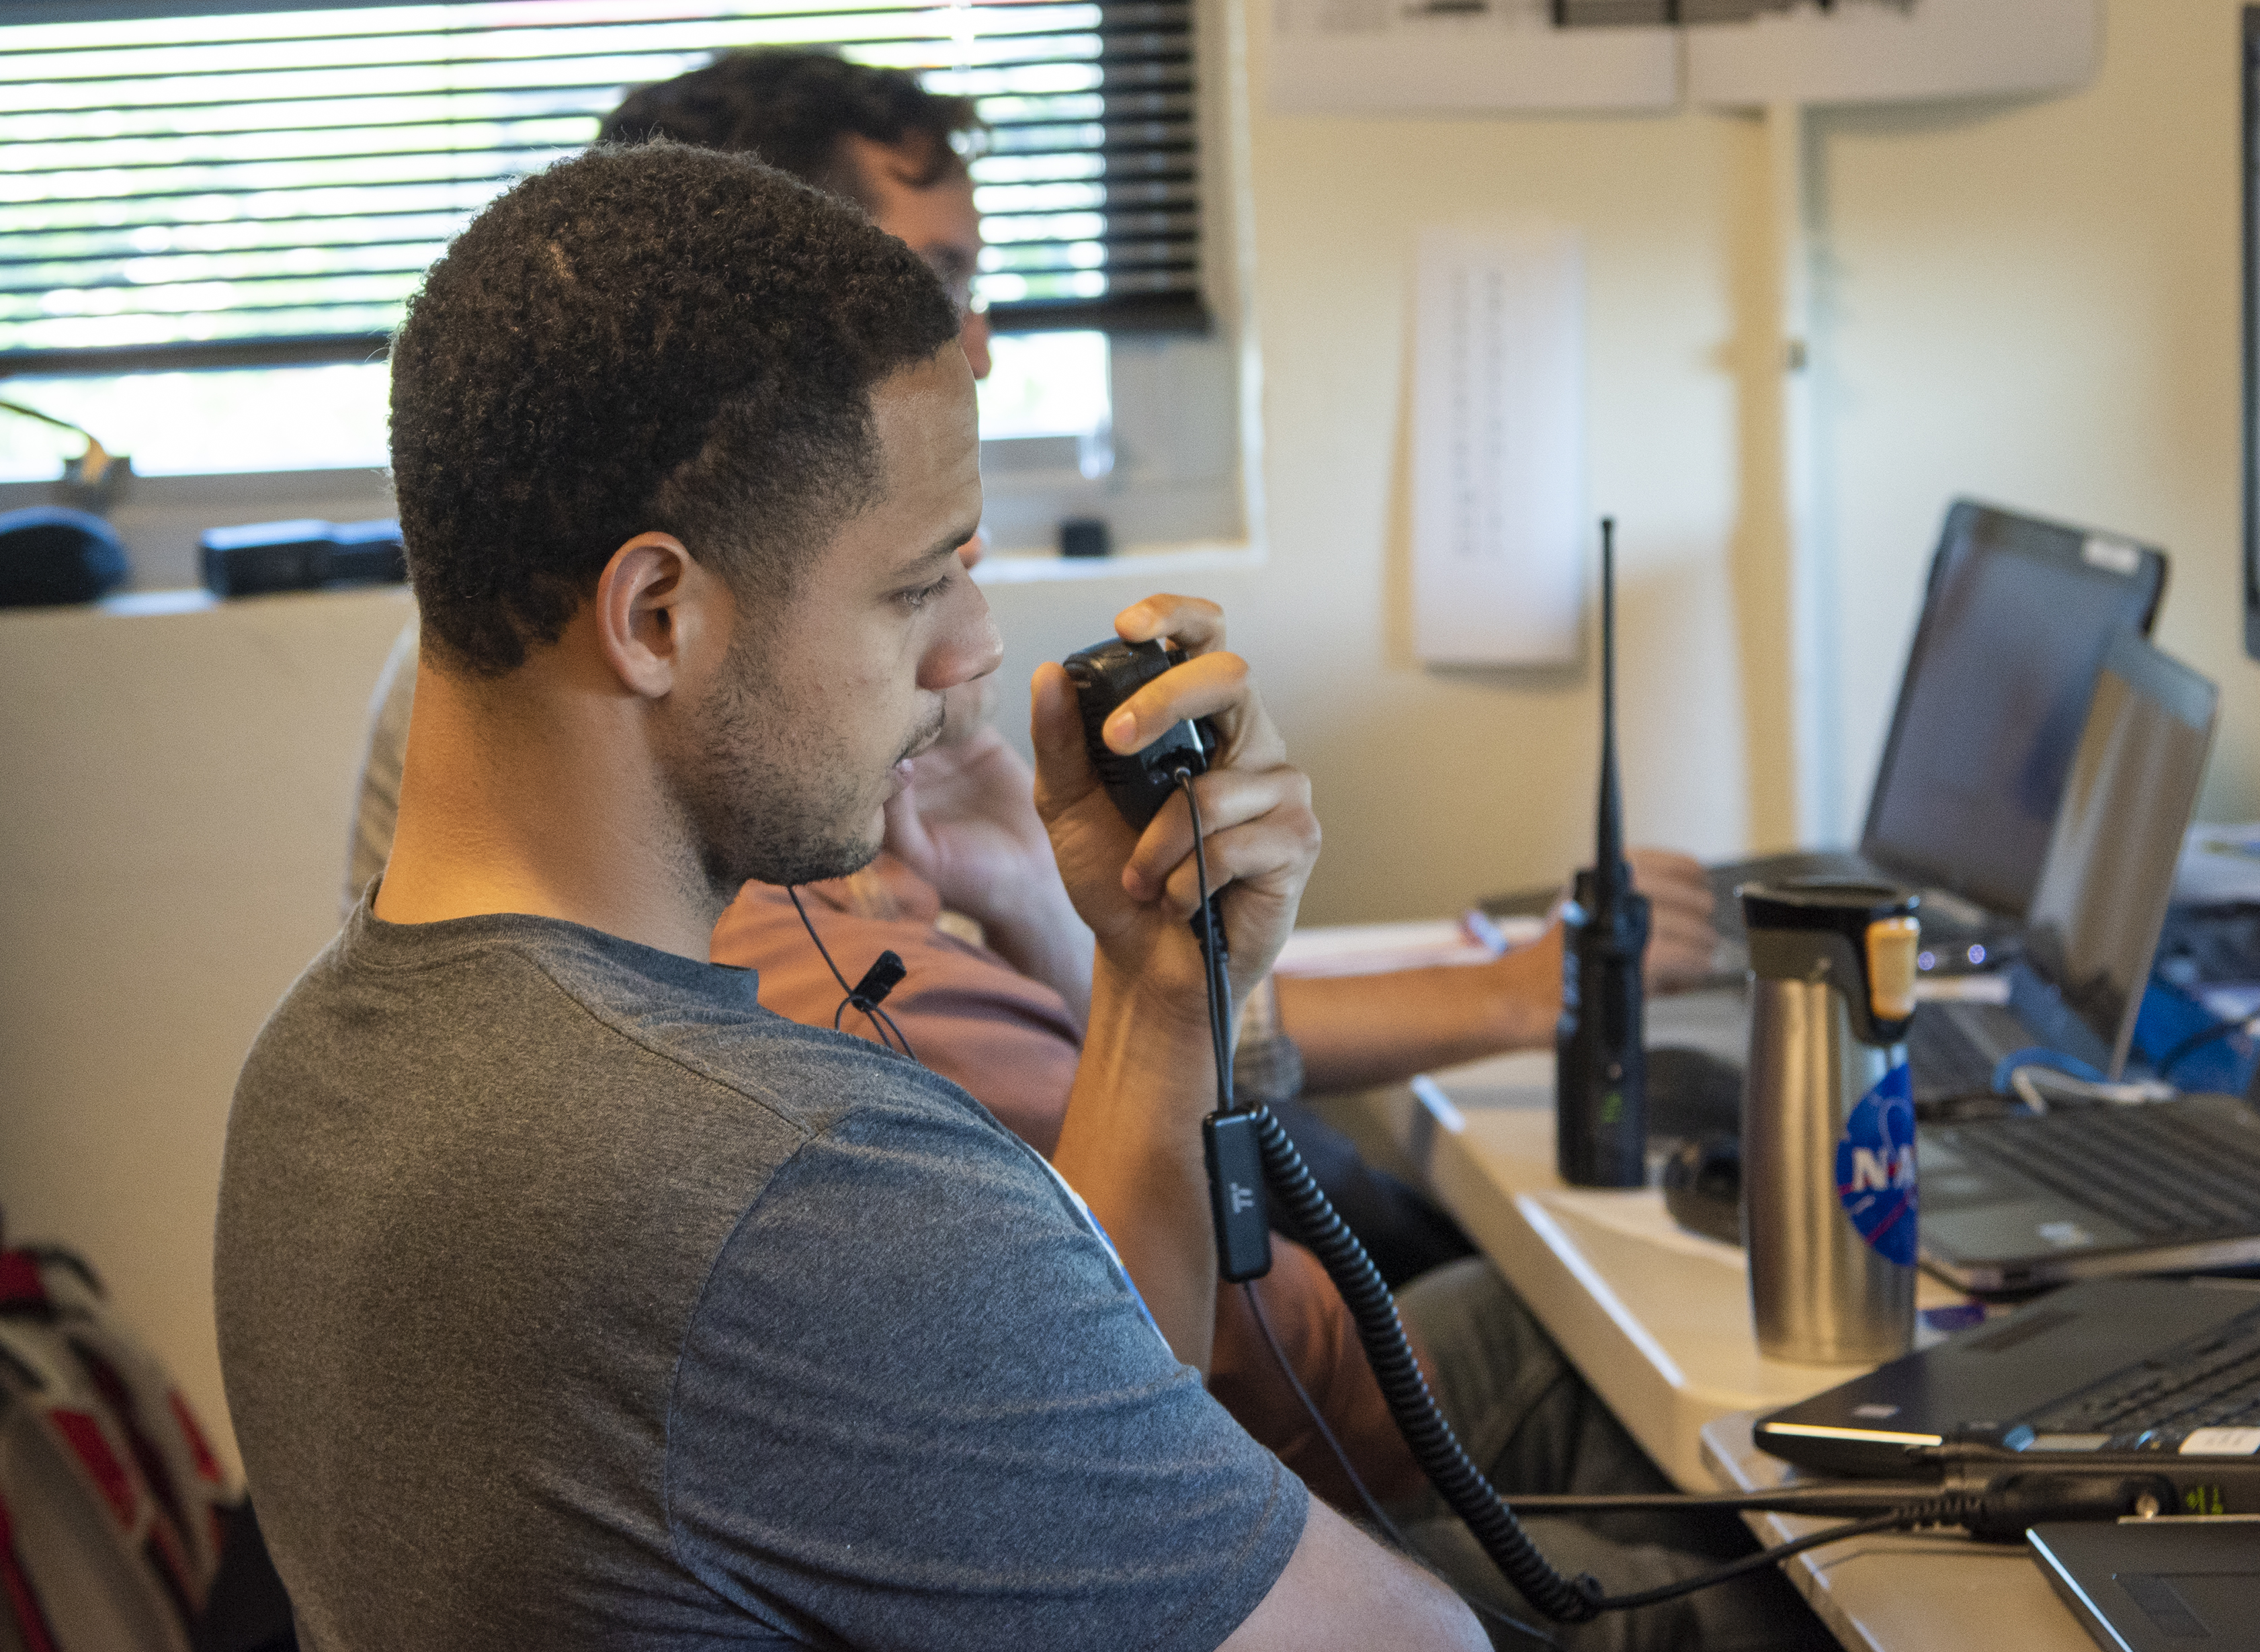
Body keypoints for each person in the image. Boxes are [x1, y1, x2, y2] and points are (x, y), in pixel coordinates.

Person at [219, 140, 1478, 1648]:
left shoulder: (309, 1058)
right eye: (914, 585)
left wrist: (1152, 980)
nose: (975, 649)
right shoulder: (792, 1185)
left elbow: (1044, 1481)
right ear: (656, 615)